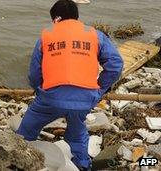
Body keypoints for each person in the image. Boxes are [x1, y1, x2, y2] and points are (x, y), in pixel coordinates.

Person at [17, 0, 123, 170]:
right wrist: (99, 89)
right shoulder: (94, 34)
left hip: (51, 99)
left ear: (55, 19)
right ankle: (82, 165)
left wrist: (40, 91)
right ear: (76, 17)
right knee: (77, 134)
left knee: (26, 131)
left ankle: (19, 160)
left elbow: (34, 74)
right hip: (85, 100)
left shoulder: (46, 36)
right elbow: (116, 65)